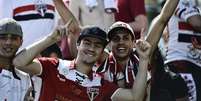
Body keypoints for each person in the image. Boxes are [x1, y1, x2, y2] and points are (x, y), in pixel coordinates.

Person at [13, 22, 151, 101]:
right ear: (78, 45)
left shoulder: (100, 83)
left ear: (102, 51)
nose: (91, 48)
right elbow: (19, 62)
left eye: (97, 45)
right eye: (87, 43)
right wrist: (50, 39)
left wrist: (144, 59)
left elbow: (135, 97)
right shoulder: (55, 65)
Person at [165, 0, 201, 100]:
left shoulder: (196, 4)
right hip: (180, 63)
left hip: (194, 64)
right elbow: (197, 23)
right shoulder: (179, 1)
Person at [0, 18, 31, 101]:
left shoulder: (25, 77)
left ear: (21, 42)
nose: (8, 42)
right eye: (3, 38)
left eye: (13, 38)